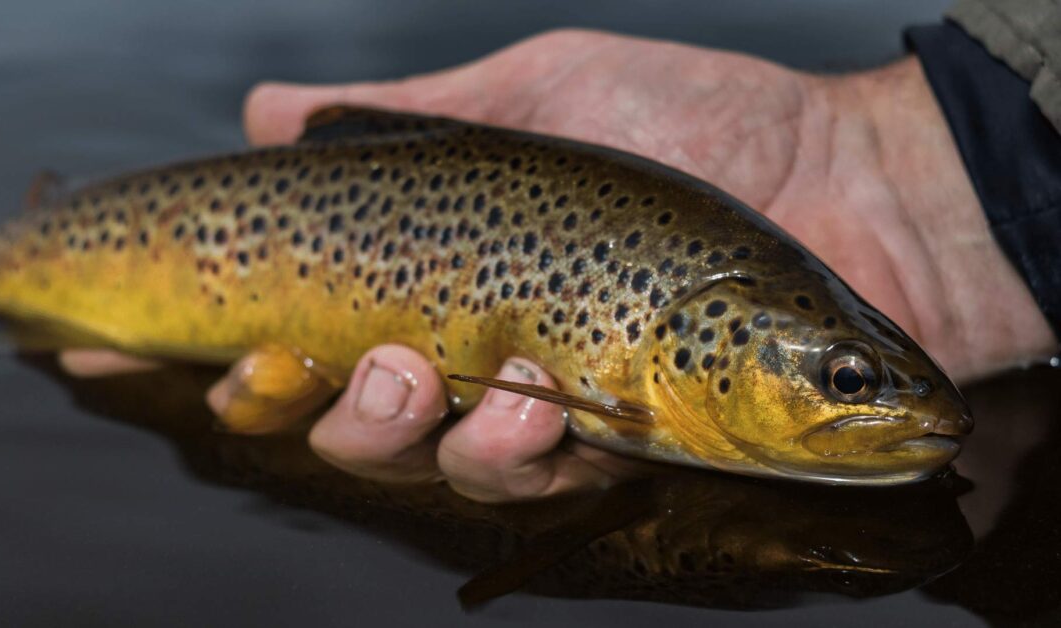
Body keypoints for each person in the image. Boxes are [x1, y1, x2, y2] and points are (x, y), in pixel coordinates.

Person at [62, 1, 1061, 502]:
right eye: (847, 374)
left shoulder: (708, 319)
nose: (870, 397)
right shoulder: (664, 353)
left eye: (850, 376)